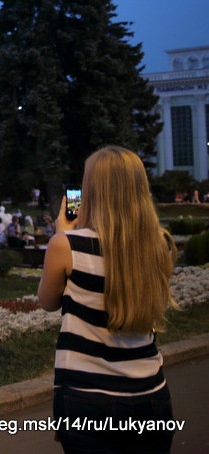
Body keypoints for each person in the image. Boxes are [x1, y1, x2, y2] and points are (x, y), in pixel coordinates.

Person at [38, 146, 178, 453]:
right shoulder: (159, 244)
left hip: (85, 396)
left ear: (91, 190)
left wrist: (63, 231)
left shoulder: (66, 246)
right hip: (151, 393)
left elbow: (48, 301)